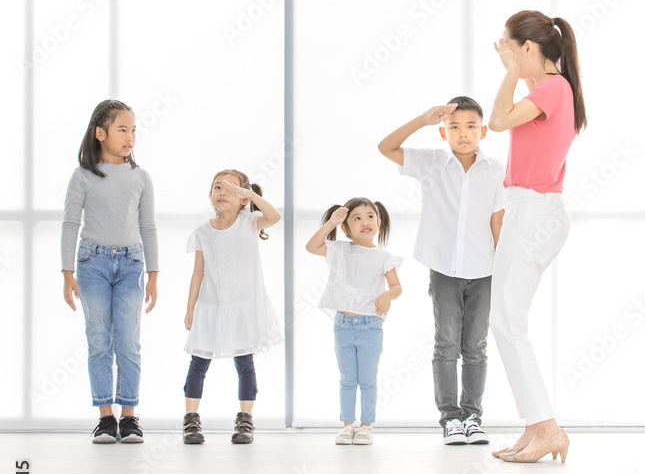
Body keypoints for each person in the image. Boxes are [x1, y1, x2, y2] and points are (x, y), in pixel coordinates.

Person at [488, 10, 587, 463]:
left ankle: (548, 429)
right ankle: (536, 427)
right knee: (505, 320)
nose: (504, 53)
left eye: (509, 46)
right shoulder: (547, 89)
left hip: (535, 212)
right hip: (526, 210)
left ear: (528, 49)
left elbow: (498, 120)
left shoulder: (553, 87)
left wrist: (510, 71)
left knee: (508, 321)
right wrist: (516, 70)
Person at [379, 99, 505, 445]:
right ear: (443, 131)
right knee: (447, 344)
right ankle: (450, 419)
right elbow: (385, 147)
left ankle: (473, 417)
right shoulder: (432, 162)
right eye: (454, 127)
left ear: (482, 131)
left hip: (484, 271)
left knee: (476, 347)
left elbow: (498, 222)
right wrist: (421, 118)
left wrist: (504, 272)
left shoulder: (495, 170)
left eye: (470, 127)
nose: (462, 134)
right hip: (444, 269)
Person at [61, 99, 158, 443]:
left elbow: (148, 227)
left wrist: (154, 275)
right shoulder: (83, 176)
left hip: (131, 264)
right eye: (122, 130)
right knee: (99, 340)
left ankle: (129, 416)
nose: (130, 136)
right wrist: (67, 271)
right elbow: (71, 224)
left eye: (133, 130)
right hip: (92, 264)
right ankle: (105, 417)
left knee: (129, 341)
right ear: (100, 133)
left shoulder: (141, 177)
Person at [182, 170, 282, 445]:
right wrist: (190, 308)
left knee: (245, 364)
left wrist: (250, 196)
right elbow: (198, 273)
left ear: (242, 197)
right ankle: (191, 419)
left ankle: (245, 419)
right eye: (217, 187)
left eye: (231, 188)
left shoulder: (250, 222)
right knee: (198, 362)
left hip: (243, 307)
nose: (223, 191)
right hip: (211, 307)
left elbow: (275, 217)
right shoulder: (202, 232)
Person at [306, 199, 402, 445]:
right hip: (343, 326)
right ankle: (348, 425)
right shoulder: (338, 250)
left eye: (370, 216)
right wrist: (331, 223)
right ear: (346, 228)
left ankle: (366, 426)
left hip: (371, 326)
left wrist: (387, 295)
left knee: (368, 379)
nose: (364, 222)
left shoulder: (384, 257)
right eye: (356, 218)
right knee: (348, 378)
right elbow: (311, 246)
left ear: (379, 223)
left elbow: (397, 287)